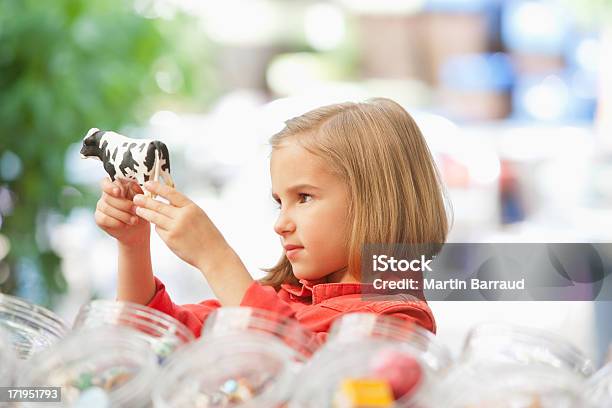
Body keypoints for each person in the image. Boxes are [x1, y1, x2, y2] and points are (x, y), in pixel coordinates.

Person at [94, 98, 450, 342]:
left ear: (376, 200)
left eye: (304, 198)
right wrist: (134, 245)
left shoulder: (399, 321)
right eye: (279, 202)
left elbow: (302, 364)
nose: (281, 223)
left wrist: (216, 259)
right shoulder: (283, 302)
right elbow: (151, 337)